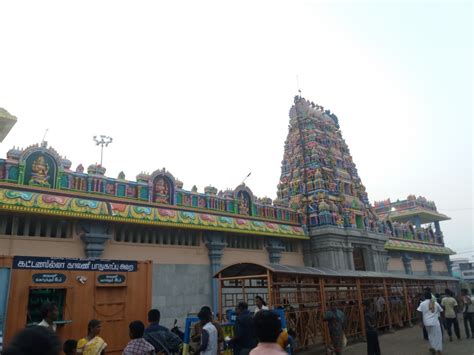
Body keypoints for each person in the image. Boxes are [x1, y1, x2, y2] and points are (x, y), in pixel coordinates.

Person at [417, 291, 443, 355]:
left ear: (424, 297)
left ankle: (433, 348)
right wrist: (442, 319)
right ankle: (438, 350)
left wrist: (420, 321)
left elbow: (419, 312)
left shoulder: (422, 304)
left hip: (426, 322)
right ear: (431, 296)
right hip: (435, 322)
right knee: (438, 336)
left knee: (430, 335)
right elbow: (441, 311)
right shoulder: (436, 303)